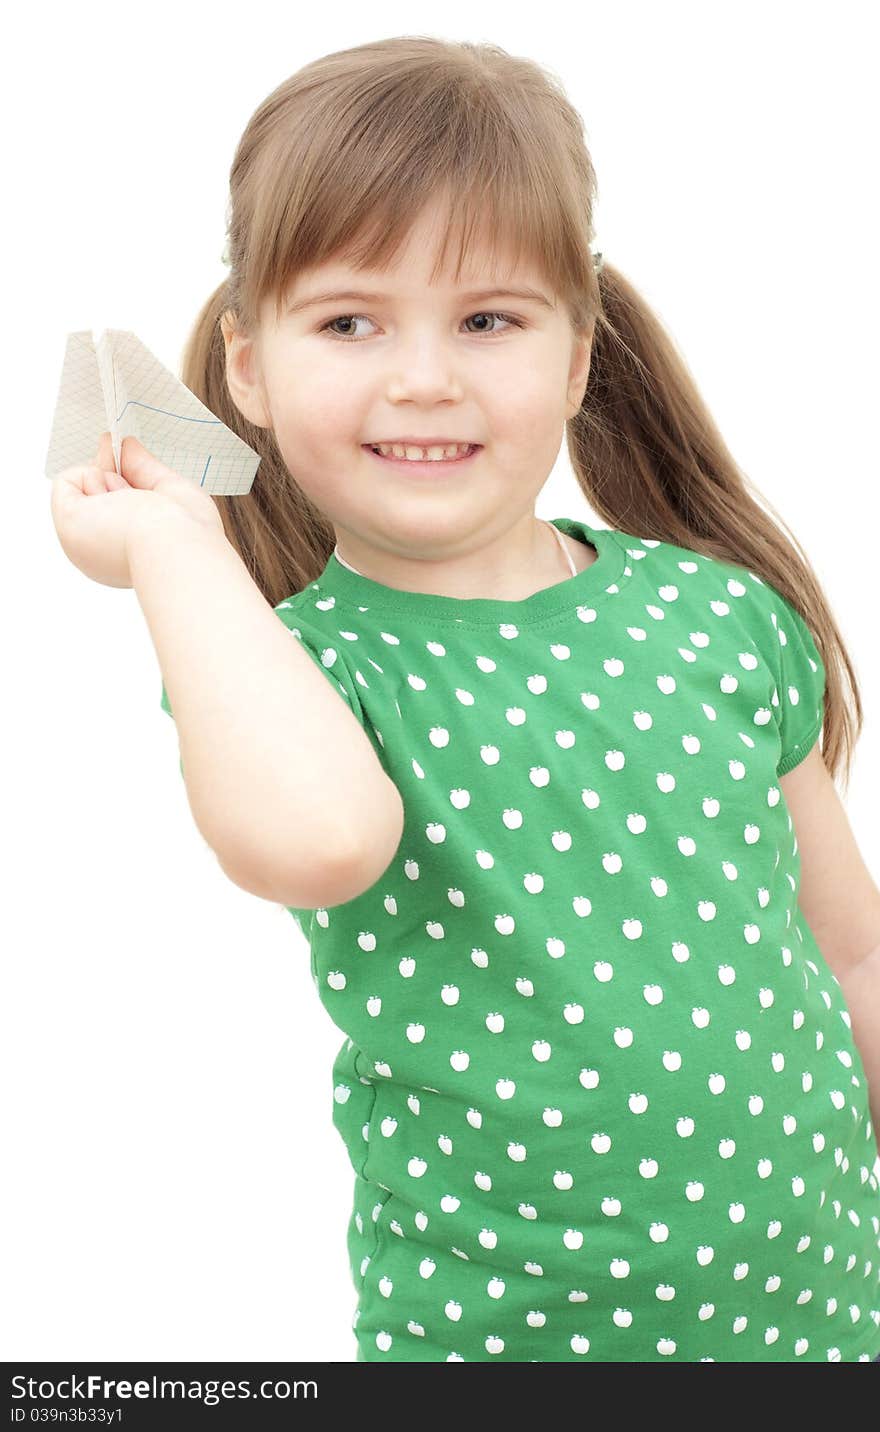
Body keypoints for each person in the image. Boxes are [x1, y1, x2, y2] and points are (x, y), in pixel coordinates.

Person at [49, 35, 880, 1364]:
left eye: (487, 319)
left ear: (577, 354)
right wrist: (173, 547)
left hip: (827, 1328)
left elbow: (851, 955)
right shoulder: (292, 667)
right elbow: (316, 842)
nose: (424, 377)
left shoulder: (718, 613)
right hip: (502, 1352)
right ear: (249, 368)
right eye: (348, 322)